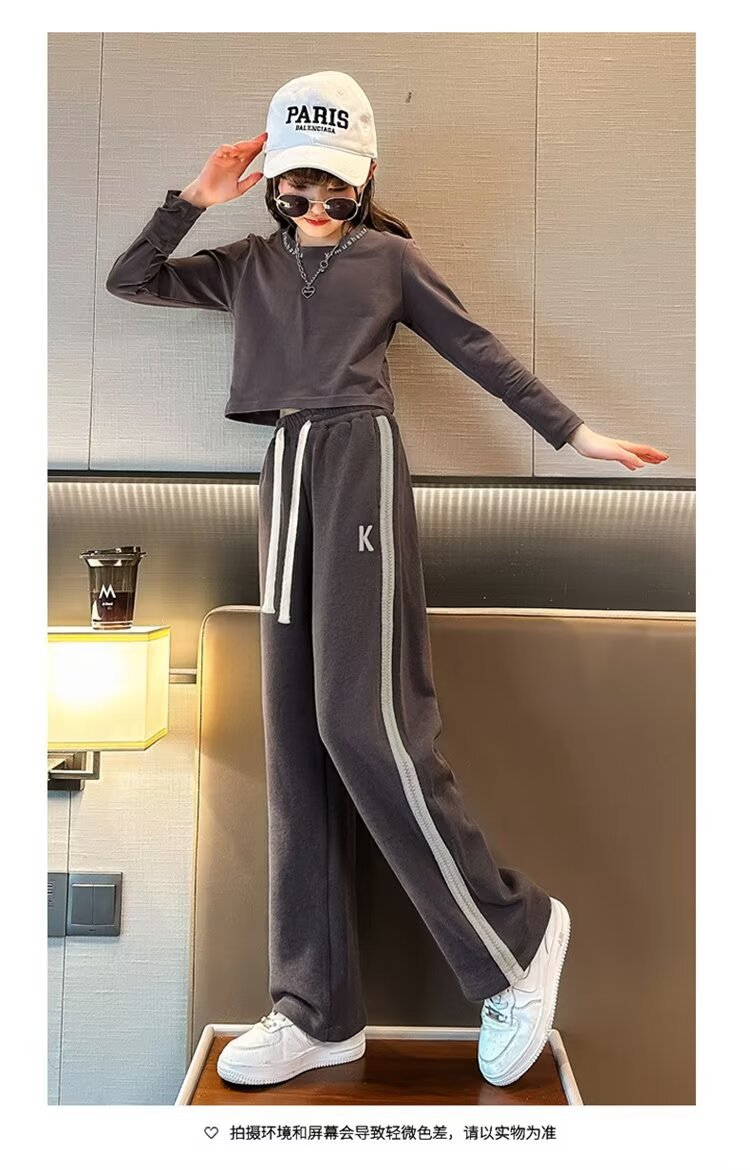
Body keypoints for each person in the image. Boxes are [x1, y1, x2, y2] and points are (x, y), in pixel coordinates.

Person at [106, 71, 669, 1090]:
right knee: (296, 741)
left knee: (362, 724)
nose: (318, 205)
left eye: (338, 188)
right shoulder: (245, 264)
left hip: (359, 462)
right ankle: (315, 1010)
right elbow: (132, 279)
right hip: (283, 469)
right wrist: (195, 197)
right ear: (274, 181)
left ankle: (517, 939)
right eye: (299, 186)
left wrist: (575, 434)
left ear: (366, 181)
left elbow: (479, 350)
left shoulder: (389, 262)